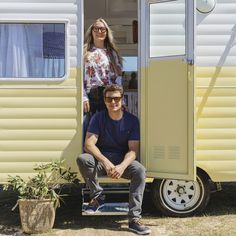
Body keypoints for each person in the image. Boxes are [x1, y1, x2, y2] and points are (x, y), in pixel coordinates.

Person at [77, 85, 151, 235]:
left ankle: (134, 219)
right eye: (109, 99)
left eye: (116, 98)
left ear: (122, 99)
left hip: (122, 163)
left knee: (140, 171)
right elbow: (88, 145)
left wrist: (122, 166)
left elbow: (133, 150)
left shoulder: (132, 120)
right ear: (104, 101)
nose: (113, 102)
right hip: (102, 162)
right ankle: (98, 196)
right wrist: (105, 162)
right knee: (83, 159)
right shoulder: (98, 118)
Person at [83, 18, 123, 115]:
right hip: (90, 96)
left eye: (102, 29)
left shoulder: (112, 54)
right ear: (91, 31)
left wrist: (121, 100)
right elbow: (79, 77)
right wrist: (83, 97)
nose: (99, 31)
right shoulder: (84, 52)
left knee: (107, 128)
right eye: (96, 29)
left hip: (109, 96)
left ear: (106, 32)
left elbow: (117, 79)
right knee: (89, 128)